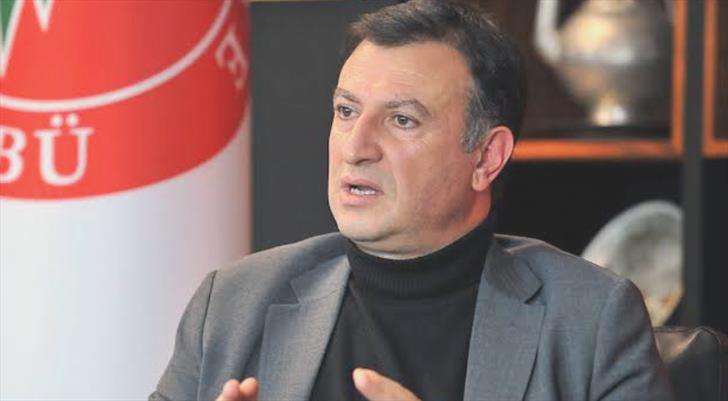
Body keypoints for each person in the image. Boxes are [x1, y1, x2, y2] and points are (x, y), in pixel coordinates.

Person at [150, 1, 674, 400]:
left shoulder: (589, 321)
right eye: (346, 111)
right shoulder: (234, 306)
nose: (356, 147)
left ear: (486, 157)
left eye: (402, 120)